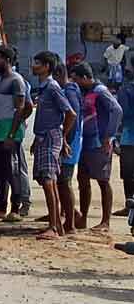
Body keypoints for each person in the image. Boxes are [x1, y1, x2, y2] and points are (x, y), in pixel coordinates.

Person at [30, 51, 76, 240]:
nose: (34, 65)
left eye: (37, 63)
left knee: (49, 182)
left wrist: (61, 136)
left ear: (47, 67)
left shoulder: (52, 87)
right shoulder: (44, 88)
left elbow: (70, 114)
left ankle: (54, 228)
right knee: (49, 182)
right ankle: (56, 225)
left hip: (50, 137)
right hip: (44, 137)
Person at [72, 62, 122, 231]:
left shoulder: (100, 91)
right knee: (83, 179)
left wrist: (108, 135)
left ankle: (106, 221)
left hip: (99, 142)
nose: (75, 82)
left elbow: (116, 111)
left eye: (77, 79)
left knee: (103, 181)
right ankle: (83, 218)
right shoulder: (85, 91)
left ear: (85, 77)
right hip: (85, 142)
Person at [0, 45, 30, 221]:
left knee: (11, 170)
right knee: (0, 170)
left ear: (7, 60)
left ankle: (16, 206)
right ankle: (1, 206)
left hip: (9, 131)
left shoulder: (16, 80)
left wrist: (12, 134)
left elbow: (21, 109)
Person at [52, 62, 83, 232]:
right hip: (70, 142)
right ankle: (71, 215)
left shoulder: (69, 91)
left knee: (64, 182)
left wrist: (65, 140)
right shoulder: (70, 90)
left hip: (70, 143)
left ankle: (70, 223)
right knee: (61, 182)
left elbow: (73, 117)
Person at [117, 63, 134, 211]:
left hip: (129, 137)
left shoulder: (126, 90)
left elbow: (123, 113)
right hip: (128, 136)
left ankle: (129, 207)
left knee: (128, 174)